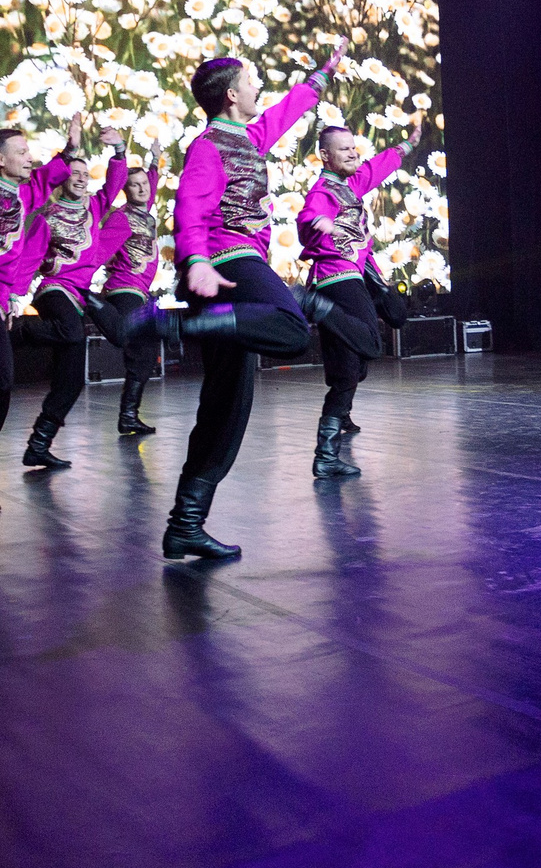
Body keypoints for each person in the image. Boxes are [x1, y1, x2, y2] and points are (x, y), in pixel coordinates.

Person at [121, 40, 370, 559]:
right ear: (233, 94)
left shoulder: (249, 137)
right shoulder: (208, 146)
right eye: (253, 80)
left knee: (227, 406)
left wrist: (324, 72)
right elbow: (190, 208)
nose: (261, 87)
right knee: (291, 325)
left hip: (226, 273)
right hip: (226, 263)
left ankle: (185, 524)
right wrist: (195, 262)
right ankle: (173, 327)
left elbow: (290, 108)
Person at [0, 114, 100, 512]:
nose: (30, 158)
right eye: (22, 152)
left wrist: (73, 144)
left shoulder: (25, 193)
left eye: (29, 152)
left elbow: (50, 174)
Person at [298, 118, 424, 477]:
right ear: (325, 156)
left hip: (350, 276)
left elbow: (378, 165)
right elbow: (310, 214)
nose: (353, 153)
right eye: (344, 149)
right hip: (337, 278)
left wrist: (408, 146)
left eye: (354, 147)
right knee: (370, 341)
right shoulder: (324, 190)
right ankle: (313, 307)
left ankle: (325, 456)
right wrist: (317, 224)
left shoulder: (351, 184)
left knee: (349, 372)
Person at [10, 129, 130, 472]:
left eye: (84, 174)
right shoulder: (48, 217)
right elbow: (30, 258)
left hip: (78, 297)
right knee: (73, 334)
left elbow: (114, 184)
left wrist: (119, 150)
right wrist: (14, 297)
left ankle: (39, 445)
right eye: (73, 173)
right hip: (54, 292)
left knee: (71, 379)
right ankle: (22, 333)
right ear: (62, 179)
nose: (79, 179)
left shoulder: (95, 206)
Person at [92, 159, 165, 438]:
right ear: (126, 189)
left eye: (144, 183)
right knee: (127, 340)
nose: (142, 188)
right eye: (134, 185)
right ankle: (89, 301)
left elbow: (151, 183)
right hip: (124, 289)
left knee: (145, 354)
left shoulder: (145, 213)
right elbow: (99, 251)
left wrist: (154, 163)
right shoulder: (122, 217)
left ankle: (129, 416)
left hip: (140, 292)